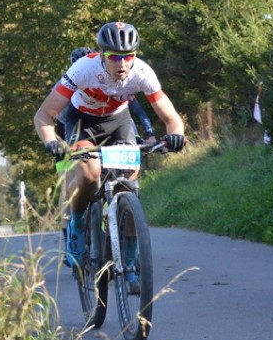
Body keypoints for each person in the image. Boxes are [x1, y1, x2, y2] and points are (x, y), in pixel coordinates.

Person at [34, 21, 187, 288]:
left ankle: (129, 263)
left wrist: (175, 135)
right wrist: (51, 141)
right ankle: (78, 227)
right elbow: (44, 115)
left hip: (119, 123)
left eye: (128, 56)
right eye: (115, 57)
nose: (122, 63)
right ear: (102, 54)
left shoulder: (142, 72)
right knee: (89, 174)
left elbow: (171, 117)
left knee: (129, 182)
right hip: (83, 123)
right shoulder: (83, 69)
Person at [55, 46, 159, 266]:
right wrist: (61, 150)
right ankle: (71, 227)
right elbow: (59, 125)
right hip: (74, 136)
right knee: (70, 183)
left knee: (127, 179)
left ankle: (120, 219)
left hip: (114, 130)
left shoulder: (117, 84)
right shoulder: (72, 89)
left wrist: (148, 134)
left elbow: (136, 112)